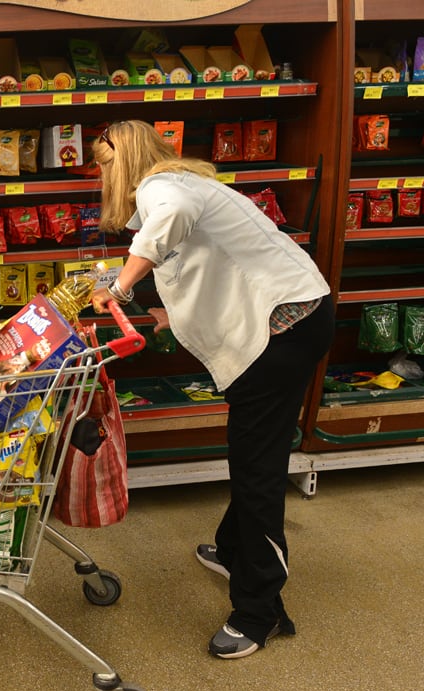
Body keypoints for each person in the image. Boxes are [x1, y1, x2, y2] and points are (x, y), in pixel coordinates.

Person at [89, 120, 334, 659]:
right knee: (253, 455)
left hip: (279, 330)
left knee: (257, 471)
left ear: (124, 159)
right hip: (294, 320)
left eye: (104, 162)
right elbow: (195, 260)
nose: (100, 174)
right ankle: (232, 549)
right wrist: (162, 310)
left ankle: (259, 611)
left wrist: (120, 287)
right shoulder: (184, 184)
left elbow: (170, 221)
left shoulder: (161, 188)